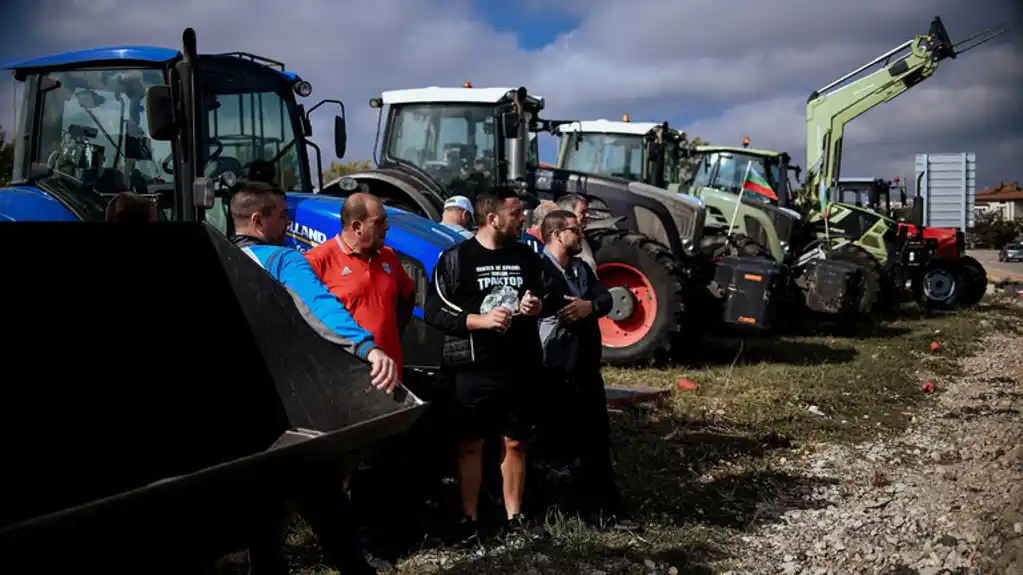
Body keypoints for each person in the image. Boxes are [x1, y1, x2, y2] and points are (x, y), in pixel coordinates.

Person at [227, 181, 396, 575]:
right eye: (282, 215)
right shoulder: (283, 260)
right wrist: (367, 347)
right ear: (257, 220)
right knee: (322, 494)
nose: (289, 222)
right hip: (286, 404)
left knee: (260, 508)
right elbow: (320, 308)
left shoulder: (214, 258)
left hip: (238, 409)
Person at [423, 187, 545, 544]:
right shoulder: (456, 258)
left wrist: (536, 306)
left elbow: (544, 296)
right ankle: (468, 520)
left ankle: (515, 518)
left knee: (516, 443)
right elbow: (434, 310)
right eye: (516, 212)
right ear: (492, 218)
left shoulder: (527, 256)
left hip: (520, 364)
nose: (523, 218)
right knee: (470, 444)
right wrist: (480, 320)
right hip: (474, 368)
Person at [537, 209, 625, 525]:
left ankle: (605, 511)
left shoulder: (581, 271)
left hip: (585, 371)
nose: (581, 234)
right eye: (576, 229)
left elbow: (604, 299)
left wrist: (589, 306)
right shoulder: (539, 270)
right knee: (555, 445)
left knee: (596, 441)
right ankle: (556, 512)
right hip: (554, 374)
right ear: (558, 234)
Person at [304, 192, 416, 375]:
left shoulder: (388, 256)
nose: (387, 227)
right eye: (379, 222)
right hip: (345, 377)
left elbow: (407, 298)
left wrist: (391, 336)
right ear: (357, 226)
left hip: (390, 373)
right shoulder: (317, 261)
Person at [556, 194, 598, 273]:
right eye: (582, 212)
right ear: (568, 214)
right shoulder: (563, 242)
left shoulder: (583, 238)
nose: (587, 215)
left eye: (587, 211)